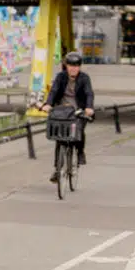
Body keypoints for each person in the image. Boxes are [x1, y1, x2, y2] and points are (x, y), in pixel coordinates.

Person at [46, 51, 95, 181]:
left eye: (76, 65)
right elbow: (54, 91)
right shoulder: (60, 77)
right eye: (70, 65)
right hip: (63, 111)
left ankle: (80, 152)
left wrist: (89, 107)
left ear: (80, 67)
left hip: (79, 111)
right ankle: (57, 170)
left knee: (79, 131)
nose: (73, 68)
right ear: (66, 66)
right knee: (59, 139)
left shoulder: (84, 78)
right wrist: (48, 104)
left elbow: (89, 93)